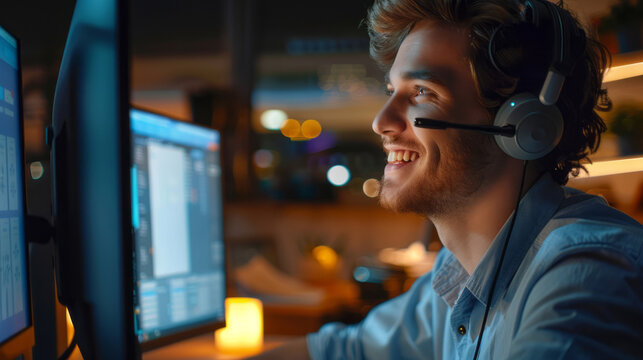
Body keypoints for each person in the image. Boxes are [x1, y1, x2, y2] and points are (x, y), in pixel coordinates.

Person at [250, 0, 643, 359]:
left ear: (523, 125)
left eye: (422, 92)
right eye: (393, 90)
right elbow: (344, 351)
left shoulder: (586, 277)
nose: (381, 122)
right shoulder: (456, 272)